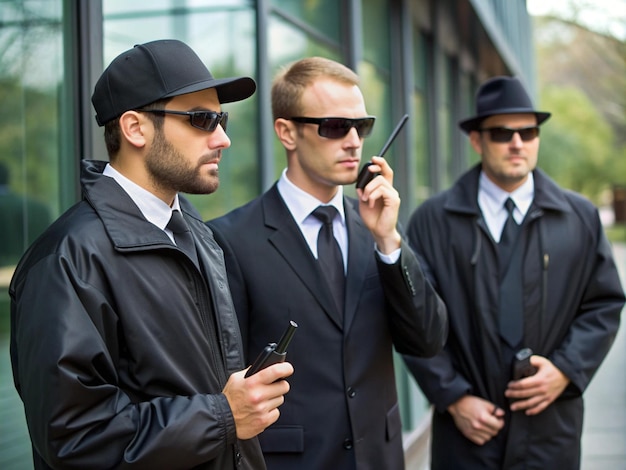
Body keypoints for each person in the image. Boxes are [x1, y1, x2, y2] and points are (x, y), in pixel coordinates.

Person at [9, 39, 293, 470]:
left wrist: (233, 412)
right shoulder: (68, 259)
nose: (223, 138)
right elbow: (75, 441)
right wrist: (222, 416)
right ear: (135, 128)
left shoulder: (197, 235)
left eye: (222, 118)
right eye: (202, 119)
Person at [207, 56, 448, 470]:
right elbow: (224, 377)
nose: (354, 141)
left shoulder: (378, 226)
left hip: (380, 458)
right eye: (336, 127)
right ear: (287, 132)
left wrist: (389, 242)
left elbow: (427, 340)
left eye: (362, 126)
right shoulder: (229, 239)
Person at [403, 76, 625, 469]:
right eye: (503, 132)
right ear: (477, 140)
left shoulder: (580, 217)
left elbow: (603, 304)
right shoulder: (432, 222)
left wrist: (566, 370)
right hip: (467, 431)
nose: (517, 143)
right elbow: (414, 320)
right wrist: (453, 397)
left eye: (528, 131)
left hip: (550, 427)